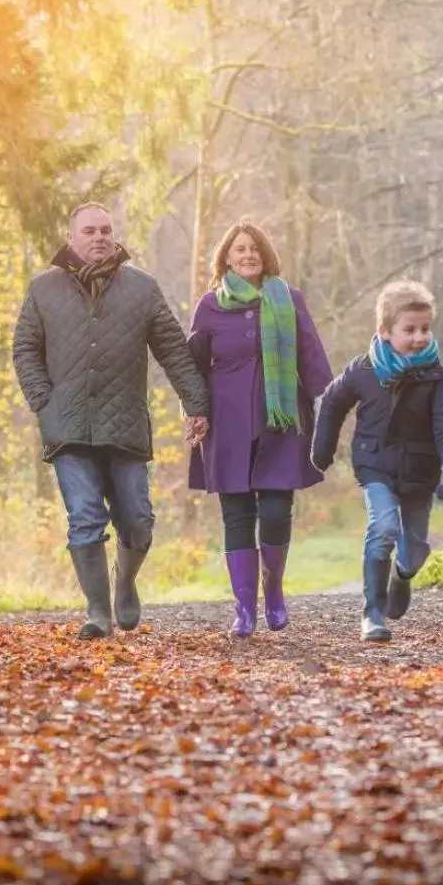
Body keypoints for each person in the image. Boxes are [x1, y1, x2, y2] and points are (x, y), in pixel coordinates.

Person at [12, 203, 211, 640]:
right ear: (71, 238)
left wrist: (196, 403)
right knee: (84, 517)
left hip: (124, 426)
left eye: (105, 230)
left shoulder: (142, 288)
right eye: (89, 231)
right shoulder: (44, 289)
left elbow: (174, 349)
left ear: (114, 236)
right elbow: (25, 348)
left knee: (138, 519)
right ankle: (97, 611)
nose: (98, 237)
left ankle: (125, 582)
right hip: (67, 427)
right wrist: (43, 401)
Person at [186, 221, 334, 638]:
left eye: (254, 249)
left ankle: (274, 589)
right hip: (226, 426)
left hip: (281, 423)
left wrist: (328, 406)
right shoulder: (209, 306)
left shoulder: (289, 300)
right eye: (239, 249)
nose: (248, 255)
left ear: (265, 255)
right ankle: (244, 610)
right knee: (236, 515)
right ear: (226, 259)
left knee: (274, 511)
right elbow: (191, 365)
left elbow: (311, 355)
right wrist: (193, 409)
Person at [312, 281, 443, 643]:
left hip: (419, 469)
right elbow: (333, 401)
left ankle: (403, 572)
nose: (419, 337)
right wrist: (323, 450)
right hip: (375, 464)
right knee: (382, 529)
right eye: (409, 330)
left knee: (415, 550)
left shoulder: (437, 377)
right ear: (384, 331)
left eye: (424, 329)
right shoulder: (364, 370)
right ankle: (372, 613)